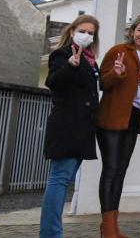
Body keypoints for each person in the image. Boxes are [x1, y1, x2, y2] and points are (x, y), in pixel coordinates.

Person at [97, 13, 140, 238]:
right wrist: (116, 73)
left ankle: (111, 225)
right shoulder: (118, 51)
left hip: (133, 118)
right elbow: (103, 82)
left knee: (121, 171)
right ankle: (108, 226)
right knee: (111, 169)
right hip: (112, 116)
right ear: (133, 31)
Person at [40, 15, 101, 238]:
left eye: (91, 32)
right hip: (66, 126)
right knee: (59, 179)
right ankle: (50, 234)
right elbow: (53, 82)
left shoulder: (90, 60)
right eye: (83, 30)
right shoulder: (63, 54)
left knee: (64, 179)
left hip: (82, 128)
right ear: (73, 30)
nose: (87, 35)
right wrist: (70, 66)